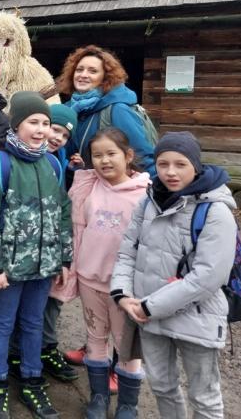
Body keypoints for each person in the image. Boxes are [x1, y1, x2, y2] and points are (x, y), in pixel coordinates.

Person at [111, 132, 236, 419]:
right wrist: (122, 295)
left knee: (204, 398)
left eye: (180, 164)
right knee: (162, 387)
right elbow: (127, 252)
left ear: (196, 165)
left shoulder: (215, 211)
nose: (170, 172)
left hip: (195, 316)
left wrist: (149, 307)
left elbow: (208, 276)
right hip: (147, 315)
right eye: (163, 164)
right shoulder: (148, 202)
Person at [0, 92, 72, 419]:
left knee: (33, 323)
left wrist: (63, 259)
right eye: (33, 122)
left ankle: (32, 378)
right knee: (2, 325)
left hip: (43, 267)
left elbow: (62, 212)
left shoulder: (53, 164)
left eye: (46, 123)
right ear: (16, 125)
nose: (41, 129)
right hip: (8, 269)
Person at [67, 128, 150, 418]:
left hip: (125, 288)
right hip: (90, 278)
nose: (104, 161)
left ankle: (128, 404)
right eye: (97, 155)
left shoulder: (145, 194)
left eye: (111, 154)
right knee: (95, 338)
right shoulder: (89, 186)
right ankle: (98, 397)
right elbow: (77, 228)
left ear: (128, 156)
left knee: (126, 345)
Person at [57, 45, 155, 177]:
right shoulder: (69, 110)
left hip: (112, 186)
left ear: (105, 77)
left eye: (93, 71)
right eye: (79, 70)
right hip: (80, 185)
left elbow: (142, 156)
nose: (83, 75)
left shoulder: (117, 109)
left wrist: (153, 186)